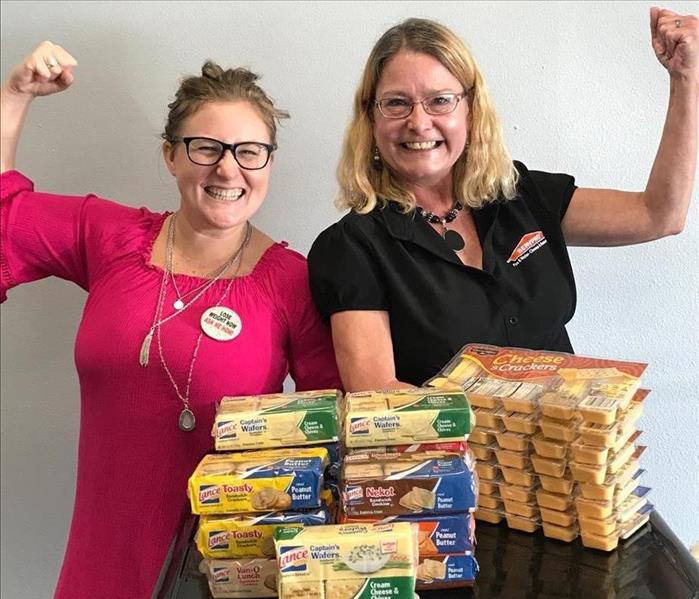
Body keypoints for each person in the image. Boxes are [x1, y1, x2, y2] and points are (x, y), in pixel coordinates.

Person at [0, 41, 340, 598]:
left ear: (269, 162)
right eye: (206, 147)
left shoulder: (295, 283)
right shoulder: (111, 239)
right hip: (100, 565)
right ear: (170, 156)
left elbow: (332, 439)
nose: (228, 167)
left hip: (225, 576)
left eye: (250, 150)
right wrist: (14, 96)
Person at [308, 8, 697, 392]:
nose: (419, 122)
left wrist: (686, 78)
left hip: (570, 447)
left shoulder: (521, 194)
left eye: (440, 100)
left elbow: (659, 215)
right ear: (371, 119)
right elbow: (378, 394)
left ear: (471, 111)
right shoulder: (352, 247)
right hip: (455, 454)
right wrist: (513, 425)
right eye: (396, 103)